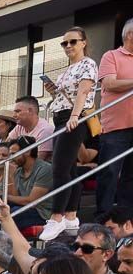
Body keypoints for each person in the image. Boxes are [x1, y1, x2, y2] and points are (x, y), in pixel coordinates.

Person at [41, 28, 99, 241]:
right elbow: (66, 95)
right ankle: (71, 215)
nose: (68, 46)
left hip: (73, 118)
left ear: (83, 42)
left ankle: (57, 217)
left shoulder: (88, 63)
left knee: (60, 168)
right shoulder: (66, 70)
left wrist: (75, 115)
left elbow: (84, 91)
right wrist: (52, 90)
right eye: (64, 43)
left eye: (72, 42)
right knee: (70, 168)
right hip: (60, 117)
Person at [96, 18, 133, 218]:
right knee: (109, 172)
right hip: (115, 127)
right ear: (129, 35)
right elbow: (110, 83)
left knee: (131, 176)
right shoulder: (111, 56)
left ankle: (126, 219)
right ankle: (103, 217)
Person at [9, 95, 54, 159]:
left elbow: (38, 161)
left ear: (30, 111)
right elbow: (5, 146)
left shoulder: (45, 130)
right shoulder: (19, 126)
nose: (14, 115)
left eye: (18, 111)